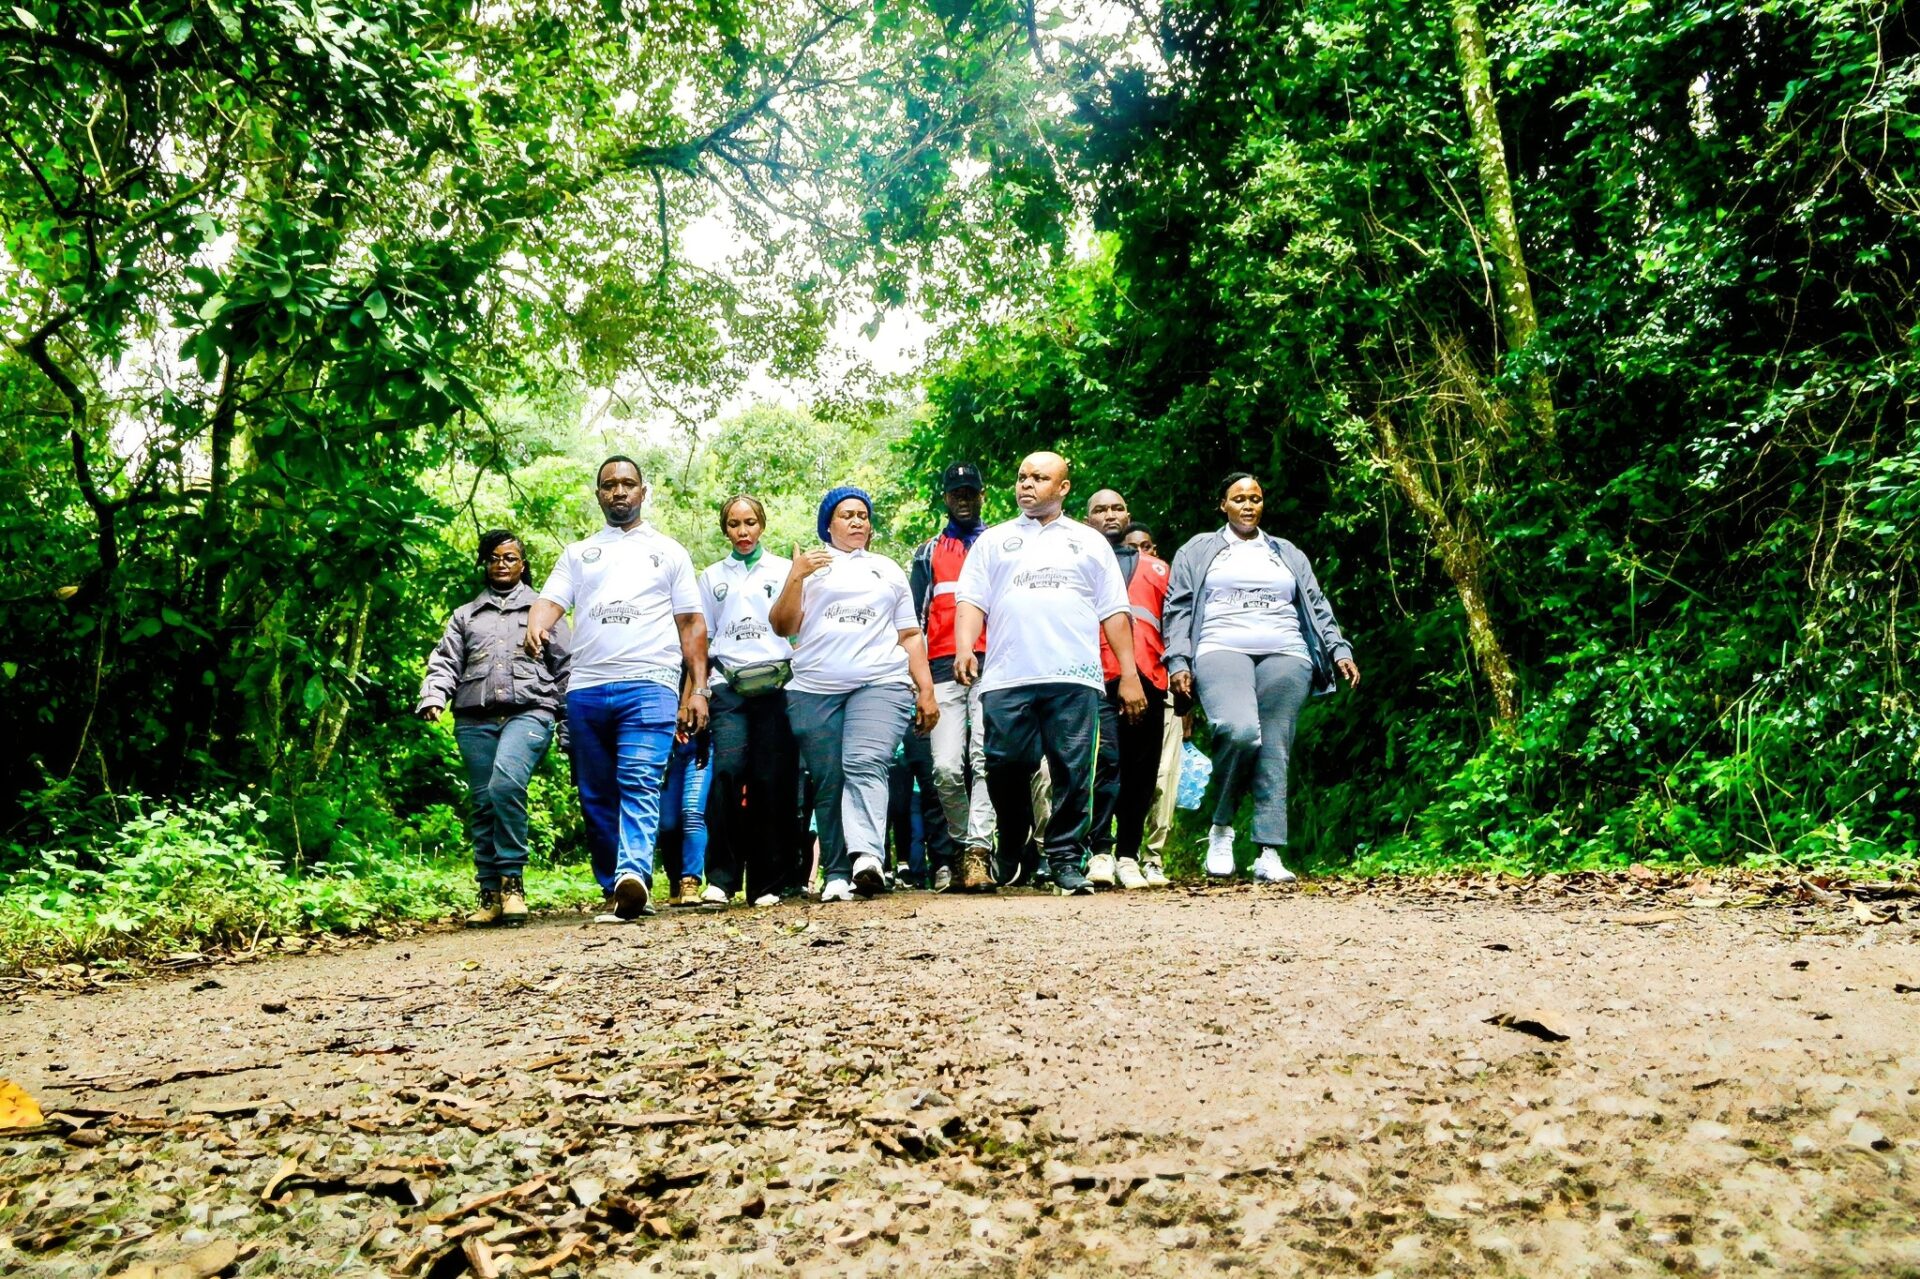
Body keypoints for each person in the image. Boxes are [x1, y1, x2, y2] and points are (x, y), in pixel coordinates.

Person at [953, 453, 1147, 895]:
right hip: (1007, 675)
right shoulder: (994, 541)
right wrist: (965, 646)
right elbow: (971, 601)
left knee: (1073, 771)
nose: (1027, 485)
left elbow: (1115, 612)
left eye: (1040, 478)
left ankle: (1064, 858)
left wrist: (1129, 674)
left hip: (1074, 675)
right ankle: (1013, 831)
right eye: (1022, 477)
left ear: (1062, 488)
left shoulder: (1089, 542)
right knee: (1003, 764)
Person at [527, 456, 709, 921]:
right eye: (609, 485)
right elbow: (550, 601)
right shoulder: (578, 553)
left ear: (643, 492)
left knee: (639, 780)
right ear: (599, 495)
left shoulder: (669, 552)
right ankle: (614, 885)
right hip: (586, 687)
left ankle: (634, 876)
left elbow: (690, 623)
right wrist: (537, 625)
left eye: (628, 484)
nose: (619, 492)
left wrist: (698, 688)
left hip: (650, 683)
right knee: (596, 794)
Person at [1163, 472, 1360, 882]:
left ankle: (1269, 852)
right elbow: (1178, 608)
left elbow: (1317, 605)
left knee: (1274, 748)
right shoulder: (1199, 550)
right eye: (1238, 499)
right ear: (1223, 505)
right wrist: (1178, 661)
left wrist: (1339, 648)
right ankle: (1221, 827)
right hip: (1220, 647)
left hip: (1287, 651)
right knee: (1238, 732)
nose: (1248, 505)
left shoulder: (1286, 552)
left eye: (1255, 498)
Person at [773, 486, 940, 901]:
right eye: (846, 515)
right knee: (829, 780)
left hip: (879, 681)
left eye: (863, 515)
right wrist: (796, 574)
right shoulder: (809, 568)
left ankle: (867, 857)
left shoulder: (886, 569)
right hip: (814, 688)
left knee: (865, 761)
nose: (856, 521)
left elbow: (909, 634)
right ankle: (836, 872)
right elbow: (783, 625)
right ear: (828, 524)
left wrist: (926, 689)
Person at [416, 530, 569, 927]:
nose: (502, 564)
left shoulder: (543, 609)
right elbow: (446, 661)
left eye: (511, 558)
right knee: (483, 801)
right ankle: (489, 891)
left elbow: (566, 666)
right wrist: (434, 695)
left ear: (523, 564)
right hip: (474, 718)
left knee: (505, 785)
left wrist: (570, 726)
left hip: (530, 712)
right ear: (485, 563)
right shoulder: (466, 615)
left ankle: (513, 882)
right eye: (495, 558)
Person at [698, 495, 802, 907]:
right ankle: (721, 878)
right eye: (735, 524)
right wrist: (698, 690)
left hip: (777, 685)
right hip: (728, 686)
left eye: (750, 523)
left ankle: (766, 882)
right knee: (727, 773)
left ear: (762, 525)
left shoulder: (783, 570)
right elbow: (701, 639)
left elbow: (796, 629)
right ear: (725, 529)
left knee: (770, 781)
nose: (743, 532)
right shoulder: (709, 577)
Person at [908, 462, 993, 892]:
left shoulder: (999, 544)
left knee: (983, 760)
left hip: (992, 665)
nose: (963, 498)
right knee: (943, 767)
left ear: (982, 495)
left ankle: (978, 850)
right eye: (955, 492)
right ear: (945, 498)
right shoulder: (926, 553)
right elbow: (912, 624)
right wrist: (918, 682)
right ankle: (963, 844)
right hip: (941, 669)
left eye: (970, 491)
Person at [1084, 492, 1173, 890]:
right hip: (1094, 679)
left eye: (1117, 508)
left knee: (1142, 772)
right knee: (1105, 765)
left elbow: (1173, 627)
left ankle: (1128, 855)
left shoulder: (1158, 569)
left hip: (1150, 680)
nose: (1110, 515)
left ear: (1128, 515)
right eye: (1100, 510)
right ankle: (1099, 851)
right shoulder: (1077, 566)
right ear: (1087, 521)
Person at [1123, 522, 1180, 888]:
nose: (1140, 553)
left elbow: (1179, 629)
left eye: (1146, 546)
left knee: (1162, 777)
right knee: (1114, 772)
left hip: (1163, 684)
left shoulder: (1165, 577)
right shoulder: (1107, 573)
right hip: (1113, 681)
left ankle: (1152, 857)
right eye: (1133, 547)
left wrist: (1184, 694)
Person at [657, 731, 713, 906]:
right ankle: (675, 879)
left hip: (702, 742)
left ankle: (690, 881)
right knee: (667, 824)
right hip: (667, 745)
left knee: (693, 813)